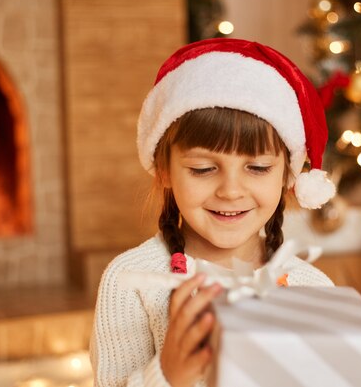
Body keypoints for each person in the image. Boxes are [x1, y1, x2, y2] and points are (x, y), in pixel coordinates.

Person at [90, 38, 337, 387]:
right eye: (204, 169)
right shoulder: (131, 282)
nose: (231, 190)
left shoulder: (310, 288)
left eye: (258, 167)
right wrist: (168, 375)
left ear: (287, 177)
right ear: (165, 171)